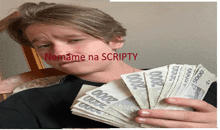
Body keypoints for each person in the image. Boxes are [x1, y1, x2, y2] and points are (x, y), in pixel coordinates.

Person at [0, 2, 217, 128]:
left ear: (115, 40)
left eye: (74, 40)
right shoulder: (29, 102)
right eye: (44, 45)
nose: (59, 53)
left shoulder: (197, 81)